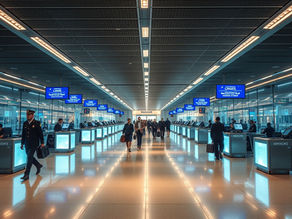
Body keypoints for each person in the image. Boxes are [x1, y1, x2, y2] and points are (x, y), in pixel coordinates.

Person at [21, 110, 44, 181]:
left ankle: (26, 174)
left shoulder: (37, 123)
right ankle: (38, 165)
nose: (27, 116)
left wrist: (42, 142)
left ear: (32, 115)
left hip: (34, 143)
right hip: (27, 143)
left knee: (29, 158)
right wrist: (22, 143)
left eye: (29, 115)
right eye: (27, 115)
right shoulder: (25, 123)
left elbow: (40, 133)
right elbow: (23, 134)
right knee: (29, 157)